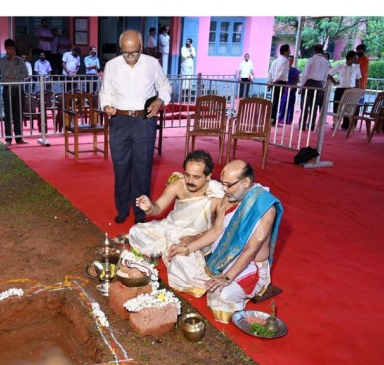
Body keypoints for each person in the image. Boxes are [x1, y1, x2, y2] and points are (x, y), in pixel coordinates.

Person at [167, 160, 283, 323]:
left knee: (222, 295)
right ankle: (209, 282)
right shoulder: (229, 197)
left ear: (246, 182)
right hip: (220, 257)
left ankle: (217, 285)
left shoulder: (264, 209)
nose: (223, 189)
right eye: (223, 184)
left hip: (249, 266)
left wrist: (227, 278)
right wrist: (187, 249)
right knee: (178, 259)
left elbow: (250, 249)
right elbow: (216, 231)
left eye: (228, 185)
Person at [99, 30, 172, 224]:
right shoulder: (112, 66)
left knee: (142, 169)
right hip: (120, 122)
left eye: (134, 52)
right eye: (125, 53)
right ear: (120, 49)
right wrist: (106, 106)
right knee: (121, 168)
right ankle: (122, 209)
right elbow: (105, 92)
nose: (130, 57)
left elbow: (165, 86)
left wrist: (160, 100)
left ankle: (140, 212)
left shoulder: (152, 63)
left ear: (140, 47)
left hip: (144, 121)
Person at [129, 150, 224, 292]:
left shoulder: (217, 194)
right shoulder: (178, 185)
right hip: (170, 228)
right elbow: (158, 207)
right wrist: (149, 207)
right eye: (187, 175)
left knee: (184, 266)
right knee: (136, 231)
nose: (190, 181)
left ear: (208, 176)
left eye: (196, 177)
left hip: (196, 238)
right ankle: (168, 248)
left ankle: (169, 251)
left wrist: (197, 237)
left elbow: (220, 227)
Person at [0, 39, 29, 145]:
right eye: (10, 48)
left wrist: (15, 76)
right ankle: (8, 139)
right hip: (8, 89)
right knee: (8, 114)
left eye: (13, 48)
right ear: (6, 49)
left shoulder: (20, 60)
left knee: (18, 114)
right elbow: (6, 73)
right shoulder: (2, 60)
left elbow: (25, 74)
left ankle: (19, 138)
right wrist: (11, 60)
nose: (12, 50)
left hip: (19, 89)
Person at [298, 44, 330, 131]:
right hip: (319, 84)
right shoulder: (326, 62)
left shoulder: (311, 60)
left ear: (314, 50)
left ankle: (302, 125)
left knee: (305, 105)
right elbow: (325, 76)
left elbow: (305, 74)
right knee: (314, 106)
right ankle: (311, 125)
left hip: (309, 84)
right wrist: (323, 87)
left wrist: (301, 86)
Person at [328, 50, 362, 130]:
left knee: (348, 108)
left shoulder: (357, 67)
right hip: (340, 89)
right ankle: (336, 124)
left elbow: (358, 79)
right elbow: (329, 74)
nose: (357, 60)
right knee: (337, 107)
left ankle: (346, 125)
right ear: (350, 58)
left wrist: (358, 90)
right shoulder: (340, 66)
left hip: (351, 90)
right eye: (355, 58)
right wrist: (334, 82)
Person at [267, 44, 291, 125]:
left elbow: (270, 72)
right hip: (280, 82)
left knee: (274, 101)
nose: (290, 52)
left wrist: (270, 81)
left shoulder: (275, 60)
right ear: (285, 51)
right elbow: (281, 73)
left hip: (275, 82)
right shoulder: (285, 61)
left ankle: (271, 119)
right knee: (277, 102)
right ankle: (273, 120)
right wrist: (274, 81)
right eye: (289, 50)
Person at [277, 55, 300, 124]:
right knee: (283, 103)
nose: (291, 61)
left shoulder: (295, 70)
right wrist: (288, 85)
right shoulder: (284, 69)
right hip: (285, 89)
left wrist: (294, 85)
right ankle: (280, 118)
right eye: (290, 59)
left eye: (292, 60)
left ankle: (289, 119)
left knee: (291, 104)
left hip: (293, 89)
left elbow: (297, 79)